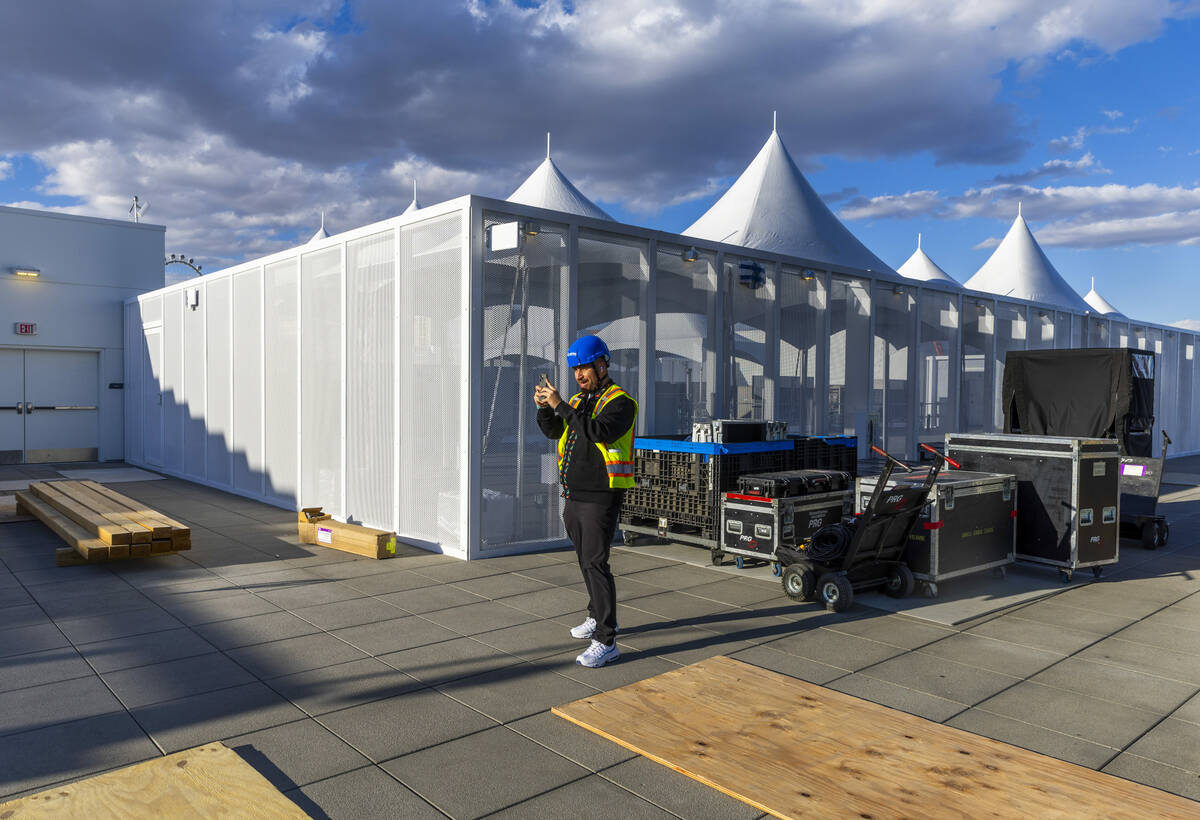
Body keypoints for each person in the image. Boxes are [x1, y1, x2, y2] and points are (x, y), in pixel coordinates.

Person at [535, 334, 637, 668]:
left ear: (602, 364)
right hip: (574, 495)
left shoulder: (621, 402)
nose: (580, 375)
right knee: (585, 560)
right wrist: (544, 409)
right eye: (576, 369)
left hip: (601, 496)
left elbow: (598, 432)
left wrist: (561, 406)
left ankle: (607, 640)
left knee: (596, 563)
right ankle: (597, 614)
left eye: (586, 367)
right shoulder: (578, 402)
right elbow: (554, 431)